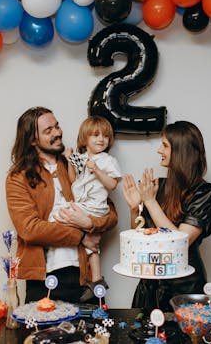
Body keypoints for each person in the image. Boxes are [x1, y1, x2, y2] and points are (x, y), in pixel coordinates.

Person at [5, 107, 118, 304]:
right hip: (42, 279)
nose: (57, 133)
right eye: (48, 131)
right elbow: (29, 229)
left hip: (85, 278)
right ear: (32, 140)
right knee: (39, 334)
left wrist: (88, 222)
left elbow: (110, 214)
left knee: (95, 333)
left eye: (57, 126)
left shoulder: (75, 164)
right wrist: (81, 236)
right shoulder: (18, 178)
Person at [121, 120, 211, 312]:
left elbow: (179, 243)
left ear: (181, 151)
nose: (159, 150)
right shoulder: (158, 186)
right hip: (149, 287)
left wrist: (150, 202)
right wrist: (135, 209)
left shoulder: (204, 194)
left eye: (165, 145)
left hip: (183, 289)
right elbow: (142, 236)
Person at [62, 116, 122, 302]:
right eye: (95, 135)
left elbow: (112, 184)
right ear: (84, 139)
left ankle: (94, 281)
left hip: (95, 207)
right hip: (84, 204)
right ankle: (95, 281)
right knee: (89, 245)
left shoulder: (107, 161)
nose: (101, 139)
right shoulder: (82, 158)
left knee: (62, 214)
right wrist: (69, 161)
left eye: (105, 136)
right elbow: (74, 180)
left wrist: (96, 170)